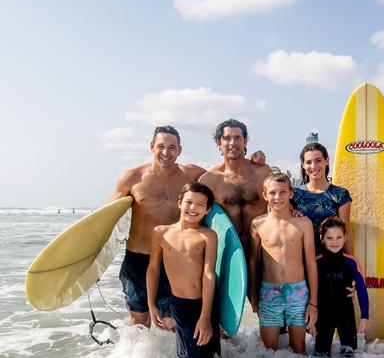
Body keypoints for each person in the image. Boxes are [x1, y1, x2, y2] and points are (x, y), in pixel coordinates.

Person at [108, 125, 206, 329]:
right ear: (152, 146)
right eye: (161, 146)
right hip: (137, 258)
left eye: (172, 147)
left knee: (171, 323)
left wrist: (253, 160)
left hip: (173, 257)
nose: (166, 152)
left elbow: (223, 176)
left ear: (179, 150)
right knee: (139, 323)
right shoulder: (133, 177)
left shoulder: (191, 174)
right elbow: (106, 216)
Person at [199, 119, 272, 297]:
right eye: (227, 138)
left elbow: (280, 202)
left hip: (262, 252)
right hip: (227, 256)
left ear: (245, 141)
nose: (232, 143)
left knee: (269, 314)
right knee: (223, 318)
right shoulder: (209, 180)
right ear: (219, 143)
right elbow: (197, 221)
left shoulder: (262, 172)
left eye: (238, 137)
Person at [147, 182, 220, 357]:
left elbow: (208, 274)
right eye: (189, 202)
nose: (193, 208)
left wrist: (205, 316)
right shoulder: (160, 232)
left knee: (205, 352)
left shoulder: (208, 235)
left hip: (203, 303)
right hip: (179, 304)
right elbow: (153, 269)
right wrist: (151, 305)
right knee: (189, 353)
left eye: (201, 205)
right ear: (179, 202)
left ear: (207, 210)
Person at [248, 172, 318, 354]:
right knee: (268, 351)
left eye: (282, 192)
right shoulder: (257, 224)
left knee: (299, 350)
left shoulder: (303, 223)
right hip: (269, 292)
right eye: (272, 193)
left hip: (298, 292)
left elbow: (311, 263)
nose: (277, 197)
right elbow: (254, 262)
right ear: (265, 195)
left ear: (291, 193)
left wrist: (313, 302)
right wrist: (254, 296)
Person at [315, 217, 369, 357]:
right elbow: (308, 290)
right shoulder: (316, 263)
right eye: (330, 238)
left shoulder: (351, 261)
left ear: (345, 237)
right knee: (321, 354)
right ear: (322, 238)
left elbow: (362, 290)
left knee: (349, 354)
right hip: (323, 317)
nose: (335, 242)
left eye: (339, 237)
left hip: (346, 315)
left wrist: (364, 316)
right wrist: (310, 321)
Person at [292, 143, 352, 254]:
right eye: (308, 162)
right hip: (300, 260)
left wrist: (352, 263)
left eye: (318, 160)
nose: (313, 166)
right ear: (303, 165)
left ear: (327, 161)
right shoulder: (294, 194)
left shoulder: (340, 194)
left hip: (330, 260)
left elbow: (345, 231)